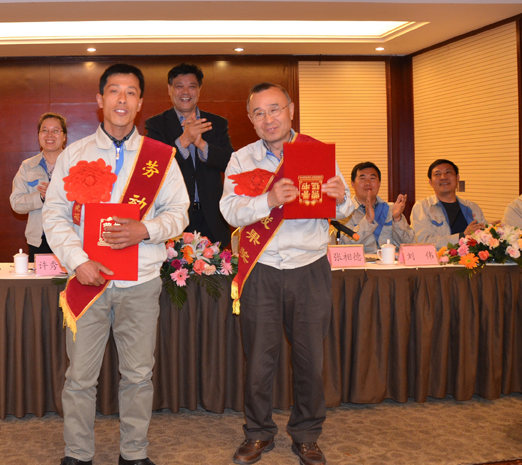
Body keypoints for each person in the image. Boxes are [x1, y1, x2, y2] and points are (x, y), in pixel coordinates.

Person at [42, 64, 188, 465]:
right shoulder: (74, 154)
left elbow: (179, 212)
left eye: (130, 92)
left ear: (140, 103)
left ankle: (134, 453)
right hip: (88, 281)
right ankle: (77, 453)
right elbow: (54, 215)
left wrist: (146, 229)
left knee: (139, 375)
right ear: (100, 99)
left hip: (140, 282)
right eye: (114, 91)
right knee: (79, 376)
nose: (122, 99)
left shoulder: (160, 157)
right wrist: (78, 261)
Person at [219, 82, 353, 465]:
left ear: (291, 110)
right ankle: (258, 432)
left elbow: (344, 209)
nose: (268, 119)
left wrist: (341, 196)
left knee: (310, 358)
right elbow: (229, 210)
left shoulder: (316, 152)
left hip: (309, 268)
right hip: (261, 268)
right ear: (251, 119)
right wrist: (269, 199)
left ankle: (307, 435)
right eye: (259, 113)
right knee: (259, 358)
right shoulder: (242, 159)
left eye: (275, 109)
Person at [145, 63, 233, 247]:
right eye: (179, 86)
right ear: (169, 90)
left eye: (191, 86)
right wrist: (184, 140)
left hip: (212, 217)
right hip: (173, 216)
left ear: (199, 90)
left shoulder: (216, 123)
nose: (185, 92)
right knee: (175, 266)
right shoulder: (156, 125)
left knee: (216, 265)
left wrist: (201, 144)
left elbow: (230, 163)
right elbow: (154, 167)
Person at [10, 113, 68, 260]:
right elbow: (16, 203)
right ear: (38, 135)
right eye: (45, 130)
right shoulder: (27, 166)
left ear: (64, 137)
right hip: (39, 240)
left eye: (55, 130)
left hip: (70, 238)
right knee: (39, 276)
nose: (50, 135)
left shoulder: (75, 165)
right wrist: (41, 197)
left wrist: (59, 193)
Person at [334, 162, 414, 253]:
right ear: (352, 184)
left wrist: (397, 219)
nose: (368, 183)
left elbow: (410, 245)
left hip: (390, 261)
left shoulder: (391, 209)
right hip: (361, 262)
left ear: (379, 183)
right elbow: (343, 247)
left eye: (372, 178)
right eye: (362, 178)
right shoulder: (344, 211)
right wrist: (368, 221)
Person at [411, 159, 487, 248]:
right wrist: (462, 236)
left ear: (457, 178)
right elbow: (425, 241)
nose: (443, 177)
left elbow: (483, 237)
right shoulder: (422, 207)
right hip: (440, 257)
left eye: (448, 172)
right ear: (431, 182)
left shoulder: (472, 207)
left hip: (472, 256)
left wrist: (491, 231)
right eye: (437, 174)